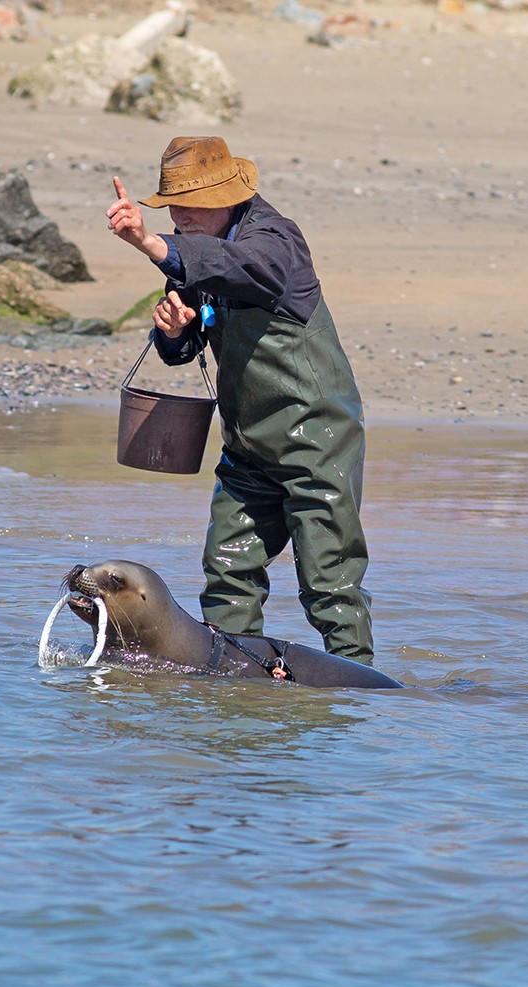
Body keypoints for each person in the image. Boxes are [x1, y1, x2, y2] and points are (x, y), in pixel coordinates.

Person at [106, 135, 373, 665]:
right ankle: (227, 682)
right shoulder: (195, 249)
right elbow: (183, 347)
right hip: (246, 444)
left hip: (315, 438)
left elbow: (240, 268)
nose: (180, 218)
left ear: (227, 197)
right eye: (172, 208)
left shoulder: (275, 239)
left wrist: (151, 243)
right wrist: (174, 330)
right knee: (227, 571)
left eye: (189, 206)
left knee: (329, 577)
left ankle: (360, 690)